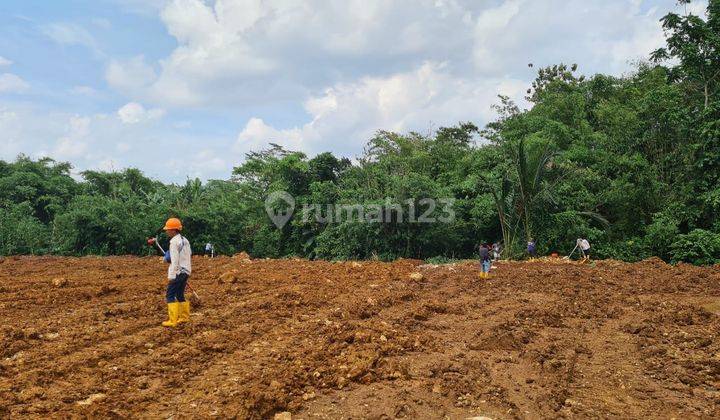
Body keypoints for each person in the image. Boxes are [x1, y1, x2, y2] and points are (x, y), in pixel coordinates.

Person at [161, 217, 192, 327]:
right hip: (186, 271)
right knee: (179, 294)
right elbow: (187, 255)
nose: (166, 231)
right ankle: (184, 317)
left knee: (170, 295)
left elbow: (174, 261)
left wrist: (172, 275)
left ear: (174, 230)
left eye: (168, 229)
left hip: (178, 272)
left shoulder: (174, 242)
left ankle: (172, 320)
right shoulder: (185, 240)